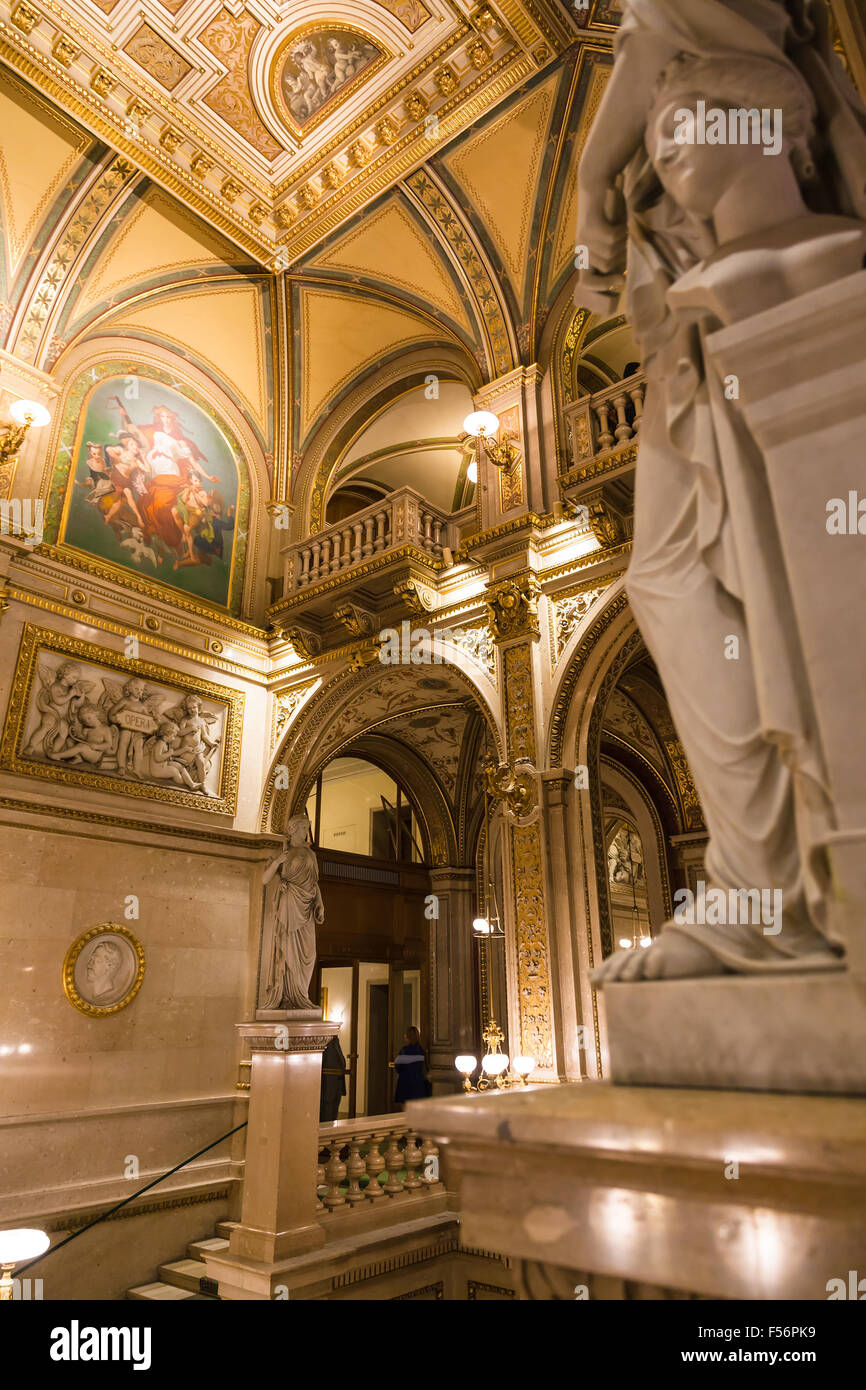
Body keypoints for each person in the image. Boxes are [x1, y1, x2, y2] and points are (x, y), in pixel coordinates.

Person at [393, 1026, 431, 1108]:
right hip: (418, 1083)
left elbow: (397, 1066)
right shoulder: (422, 1051)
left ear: (408, 1036)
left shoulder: (404, 1051)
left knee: (405, 1112)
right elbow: (427, 1067)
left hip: (405, 1083)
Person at [319, 1035, 347, 1122]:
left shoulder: (334, 1039)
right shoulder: (325, 1039)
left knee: (334, 1108)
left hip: (336, 1080)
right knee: (327, 1108)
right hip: (328, 1081)